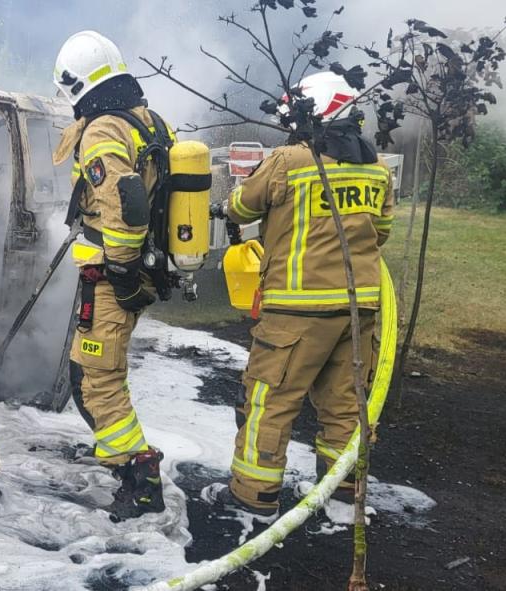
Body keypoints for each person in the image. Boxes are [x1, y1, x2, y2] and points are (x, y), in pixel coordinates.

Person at [202, 71, 395, 521]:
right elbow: (380, 234)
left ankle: (253, 496)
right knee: (347, 403)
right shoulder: (377, 169)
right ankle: (345, 490)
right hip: (360, 307)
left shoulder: (290, 161)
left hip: (296, 312)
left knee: (269, 401)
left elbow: (242, 206)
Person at [50, 31, 172, 521]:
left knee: (95, 381)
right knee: (98, 373)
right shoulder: (148, 121)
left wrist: (120, 272)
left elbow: (126, 201)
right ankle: (123, 457)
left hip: (113, 276)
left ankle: (138, 479)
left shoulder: (102, 129)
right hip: (140, 266)